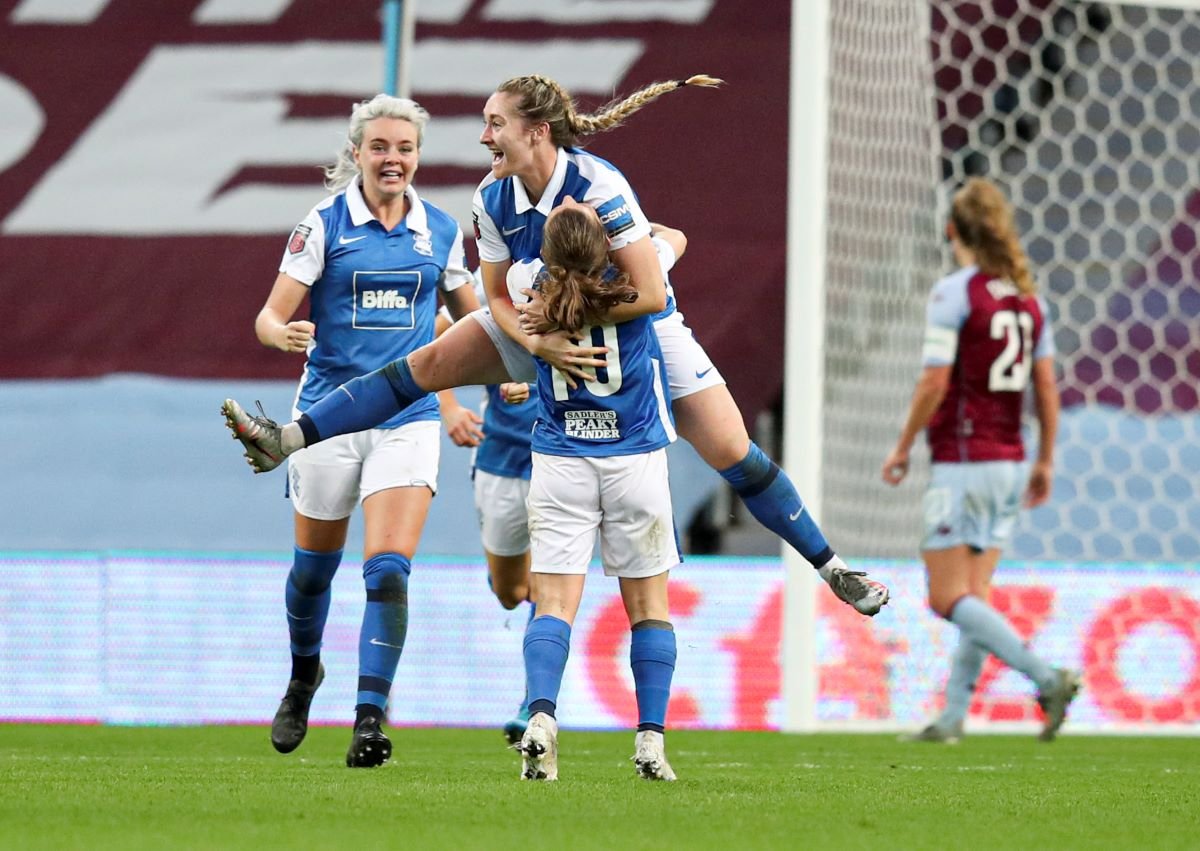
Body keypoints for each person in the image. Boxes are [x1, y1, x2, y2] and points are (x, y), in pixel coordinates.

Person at [222, 73, 888, 617]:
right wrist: (540, 345)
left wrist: (572, 316)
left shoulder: (600, 187)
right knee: (424, 362)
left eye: (495, 123)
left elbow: (651, 293)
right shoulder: (492, 198)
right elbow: (498, 299)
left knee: (731, 451)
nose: (484, 135)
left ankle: (833, 567)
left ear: (536, 132)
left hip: (643, 334)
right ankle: (289, 438)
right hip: (542, 332)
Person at [235, 93, 478, 768]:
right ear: (356, 154)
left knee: (389, 571)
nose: (393, 158)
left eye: (404, 148)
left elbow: (473, 321)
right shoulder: (323, 225)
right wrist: (281, 333)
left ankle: (370, 717)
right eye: (380, 147)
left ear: (417, 155)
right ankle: (303, 673)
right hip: (326, 418)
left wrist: (493, 377)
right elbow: (267, 315)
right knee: (313, 573)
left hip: (407, 419)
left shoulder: (439, 229)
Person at [881, 177, 1080, 743]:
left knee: (947, 597)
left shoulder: (955, 293)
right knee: (974, 595)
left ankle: (1047, 678)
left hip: (963, 459)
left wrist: (902, 445)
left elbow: (934, 380)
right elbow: (1046, 386)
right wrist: (1045, 459)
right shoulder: (1028, 298)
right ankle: (951, 719)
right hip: (1010, 461)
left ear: (952, 230)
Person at [510, 196, 681, 781]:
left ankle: (540, 718)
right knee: (648, 608)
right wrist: (632, 228)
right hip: (633, 459)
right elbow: (674, 236)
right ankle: (651, 740)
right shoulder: (632, 281)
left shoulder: (526, 281)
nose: (569, 197)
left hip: (562, 460)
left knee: (553, 604)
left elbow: (518, 277)